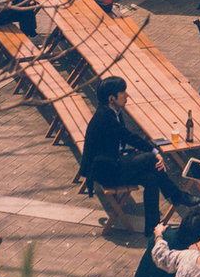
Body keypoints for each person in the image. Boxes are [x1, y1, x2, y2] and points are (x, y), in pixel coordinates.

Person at [78, 76, 185, 235]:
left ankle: (152, 228)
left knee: (151, 178)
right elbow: (128, 137)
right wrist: (155, 151)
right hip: (105, 172)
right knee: (149, 158)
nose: (127, 96)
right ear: (111, 98)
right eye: (123, 93)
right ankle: (177, 195)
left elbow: (125, 138)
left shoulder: (113, 112)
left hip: (111, 164)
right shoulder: (105, 117)